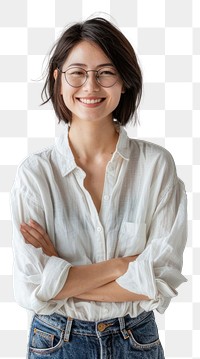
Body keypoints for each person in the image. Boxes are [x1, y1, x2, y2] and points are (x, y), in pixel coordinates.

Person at [10, 17, 187, 359]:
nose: (90, 86)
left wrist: (62, 277)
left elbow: (161, 277)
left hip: (136, 340)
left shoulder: (156, 166)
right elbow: (30, 286)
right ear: (58, 80)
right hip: (56, 342)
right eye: (78, 72)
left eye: (105, 73)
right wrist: (121, 267)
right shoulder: (35, 174)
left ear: (124, 82)